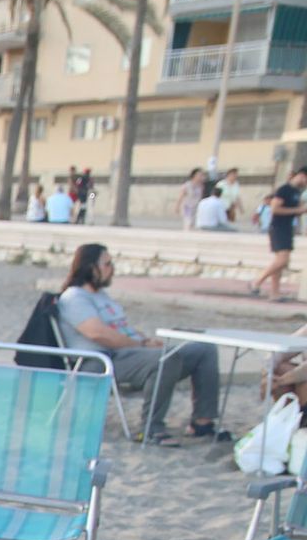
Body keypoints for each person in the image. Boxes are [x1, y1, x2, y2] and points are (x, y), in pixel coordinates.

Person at [57, 243, 221, 445]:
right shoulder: (74, 298)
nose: (112, 269)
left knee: (203, 350)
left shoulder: (101, 296)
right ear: (91, 268)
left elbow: (122, 328)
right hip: (101, 361)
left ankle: (202, 423)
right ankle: (151, 428)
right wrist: (140, 345)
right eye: (107, 264)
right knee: (166, 358)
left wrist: (146, 341)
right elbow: (98, 334)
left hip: (127, 354)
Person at [250, 167, 307, 301]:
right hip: (278, 227)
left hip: (287, 227)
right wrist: (297, 210)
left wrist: (300, 211)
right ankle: (257, 282)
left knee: (279, 263)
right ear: (302, 176)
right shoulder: (284, 190)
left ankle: (275, 293)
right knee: (282, 260)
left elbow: (297, 210)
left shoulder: (296, 192)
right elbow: (275, 209)